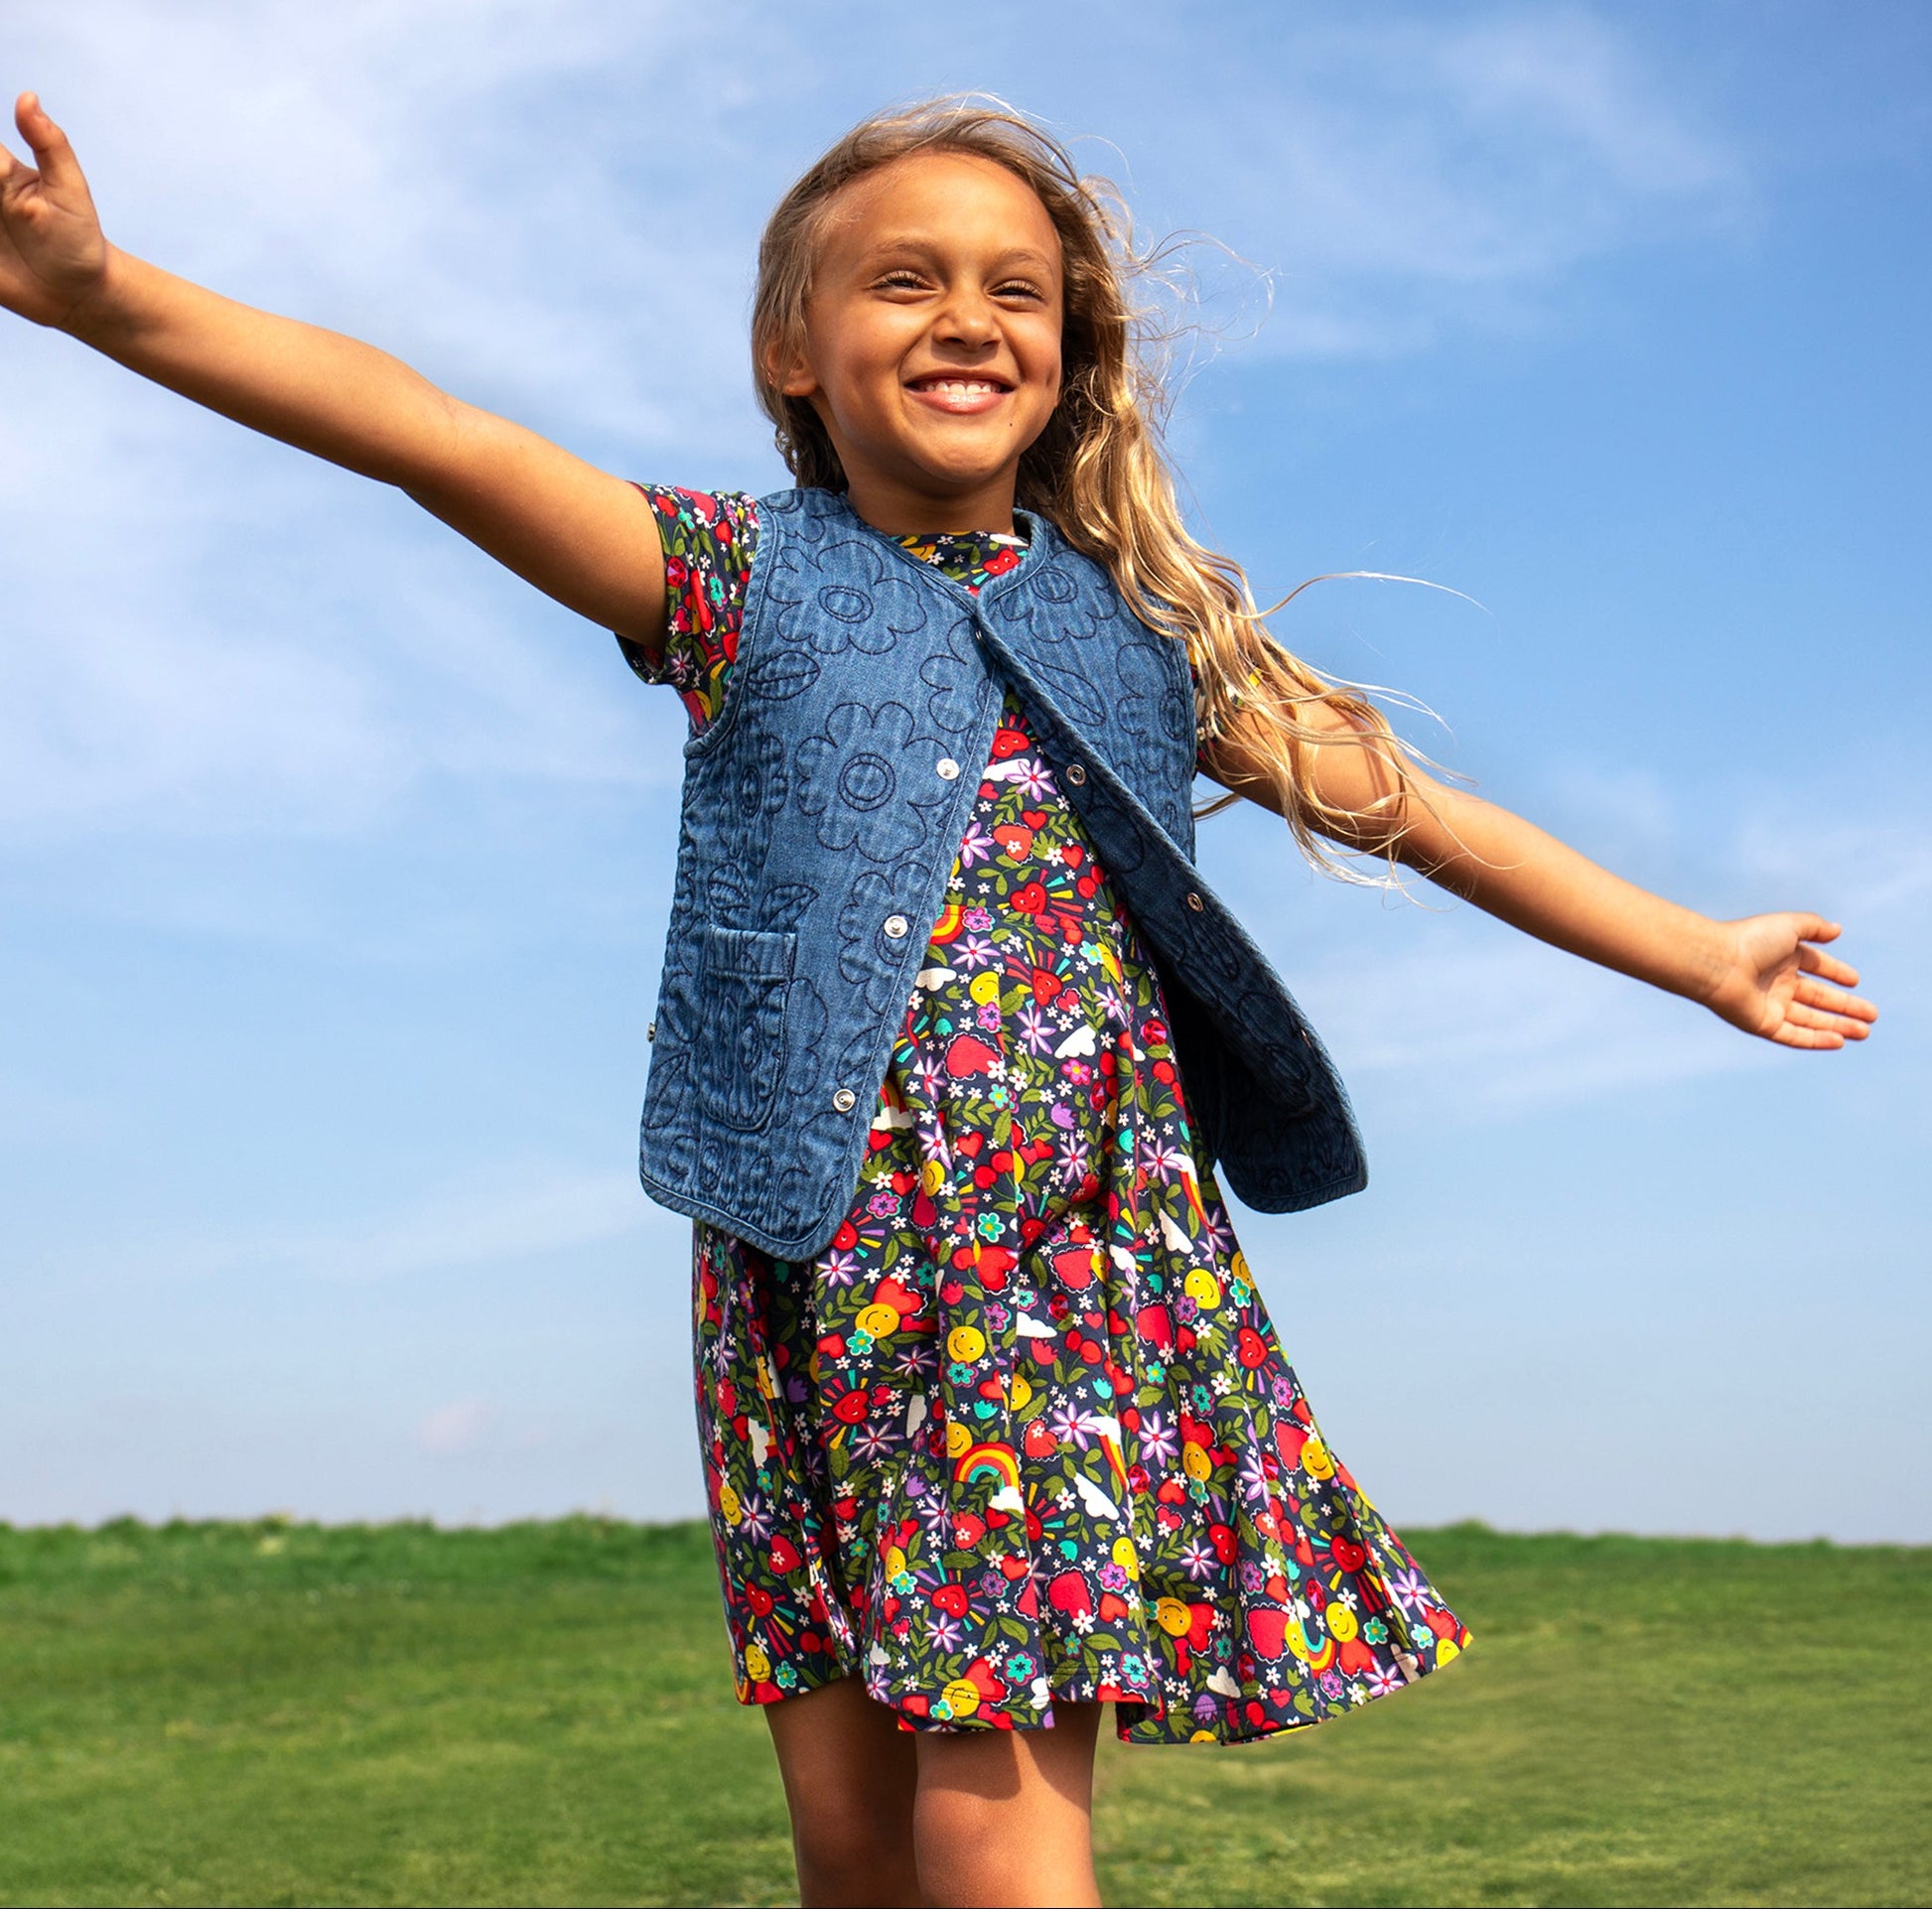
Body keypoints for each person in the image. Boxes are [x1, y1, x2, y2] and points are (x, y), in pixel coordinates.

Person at [0, 91, 1876, 1909]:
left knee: (990, 1837)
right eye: (903, 279)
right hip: (797, 1259)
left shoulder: (1148, 633)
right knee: (856, 1848)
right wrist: (110, 295)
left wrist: (1696, 951)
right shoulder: (731, 581)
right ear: (791, 348)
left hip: (1055, 1268)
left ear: (1070, 350)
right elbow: (434, 435)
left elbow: (1424, 818)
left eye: (1016, 287)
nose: (967, 316)